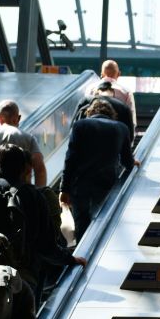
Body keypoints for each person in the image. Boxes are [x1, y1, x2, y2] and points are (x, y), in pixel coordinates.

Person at [0, 144, 86, 296]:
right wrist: (70, 259)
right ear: (25, 168)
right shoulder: (35, 196)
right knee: (26, 317)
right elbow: (47, 245)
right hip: (24, 278)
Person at [60, 99, 138, 242]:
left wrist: (64, 189)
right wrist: (133, 162)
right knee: (102, 223)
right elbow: (127, 162)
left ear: (90, 112)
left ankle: (82, 255)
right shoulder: (122, 128)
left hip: (80, 186)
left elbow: (70, 158)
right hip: (107, 186)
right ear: (112, 114)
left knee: (82, 226)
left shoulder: (80, 125)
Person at [98, 59, 137, 128]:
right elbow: (132, 121)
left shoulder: (90, 89)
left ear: (101, 74)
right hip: (116, 134)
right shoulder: (126, 92)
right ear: (119, 74)